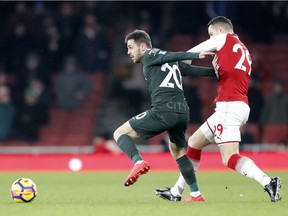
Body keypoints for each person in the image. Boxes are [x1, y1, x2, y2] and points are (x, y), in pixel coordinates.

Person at [155, 16, 282, 202]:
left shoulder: (223, 39)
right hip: (234, 106)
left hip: (229, 108)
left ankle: (268, 182)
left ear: (220, 31)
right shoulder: (243, 49)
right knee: (195, 143)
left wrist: (171, 63)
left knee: (229, 158)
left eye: (211, 34)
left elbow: (189, 55)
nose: (210, 38)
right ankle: (178, 192)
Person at [113, 29, 215, 202]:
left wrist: (196, 54)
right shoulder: (167, 61)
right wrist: (217, 72)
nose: (128, 52)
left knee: (119, 133)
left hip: (164, 110)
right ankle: (196, 193)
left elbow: (173, 55)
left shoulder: (151, 54)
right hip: (182, 112)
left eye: (131, 47)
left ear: (143, 46)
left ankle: (138, 162)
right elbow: (191, 70)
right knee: (176, 150)